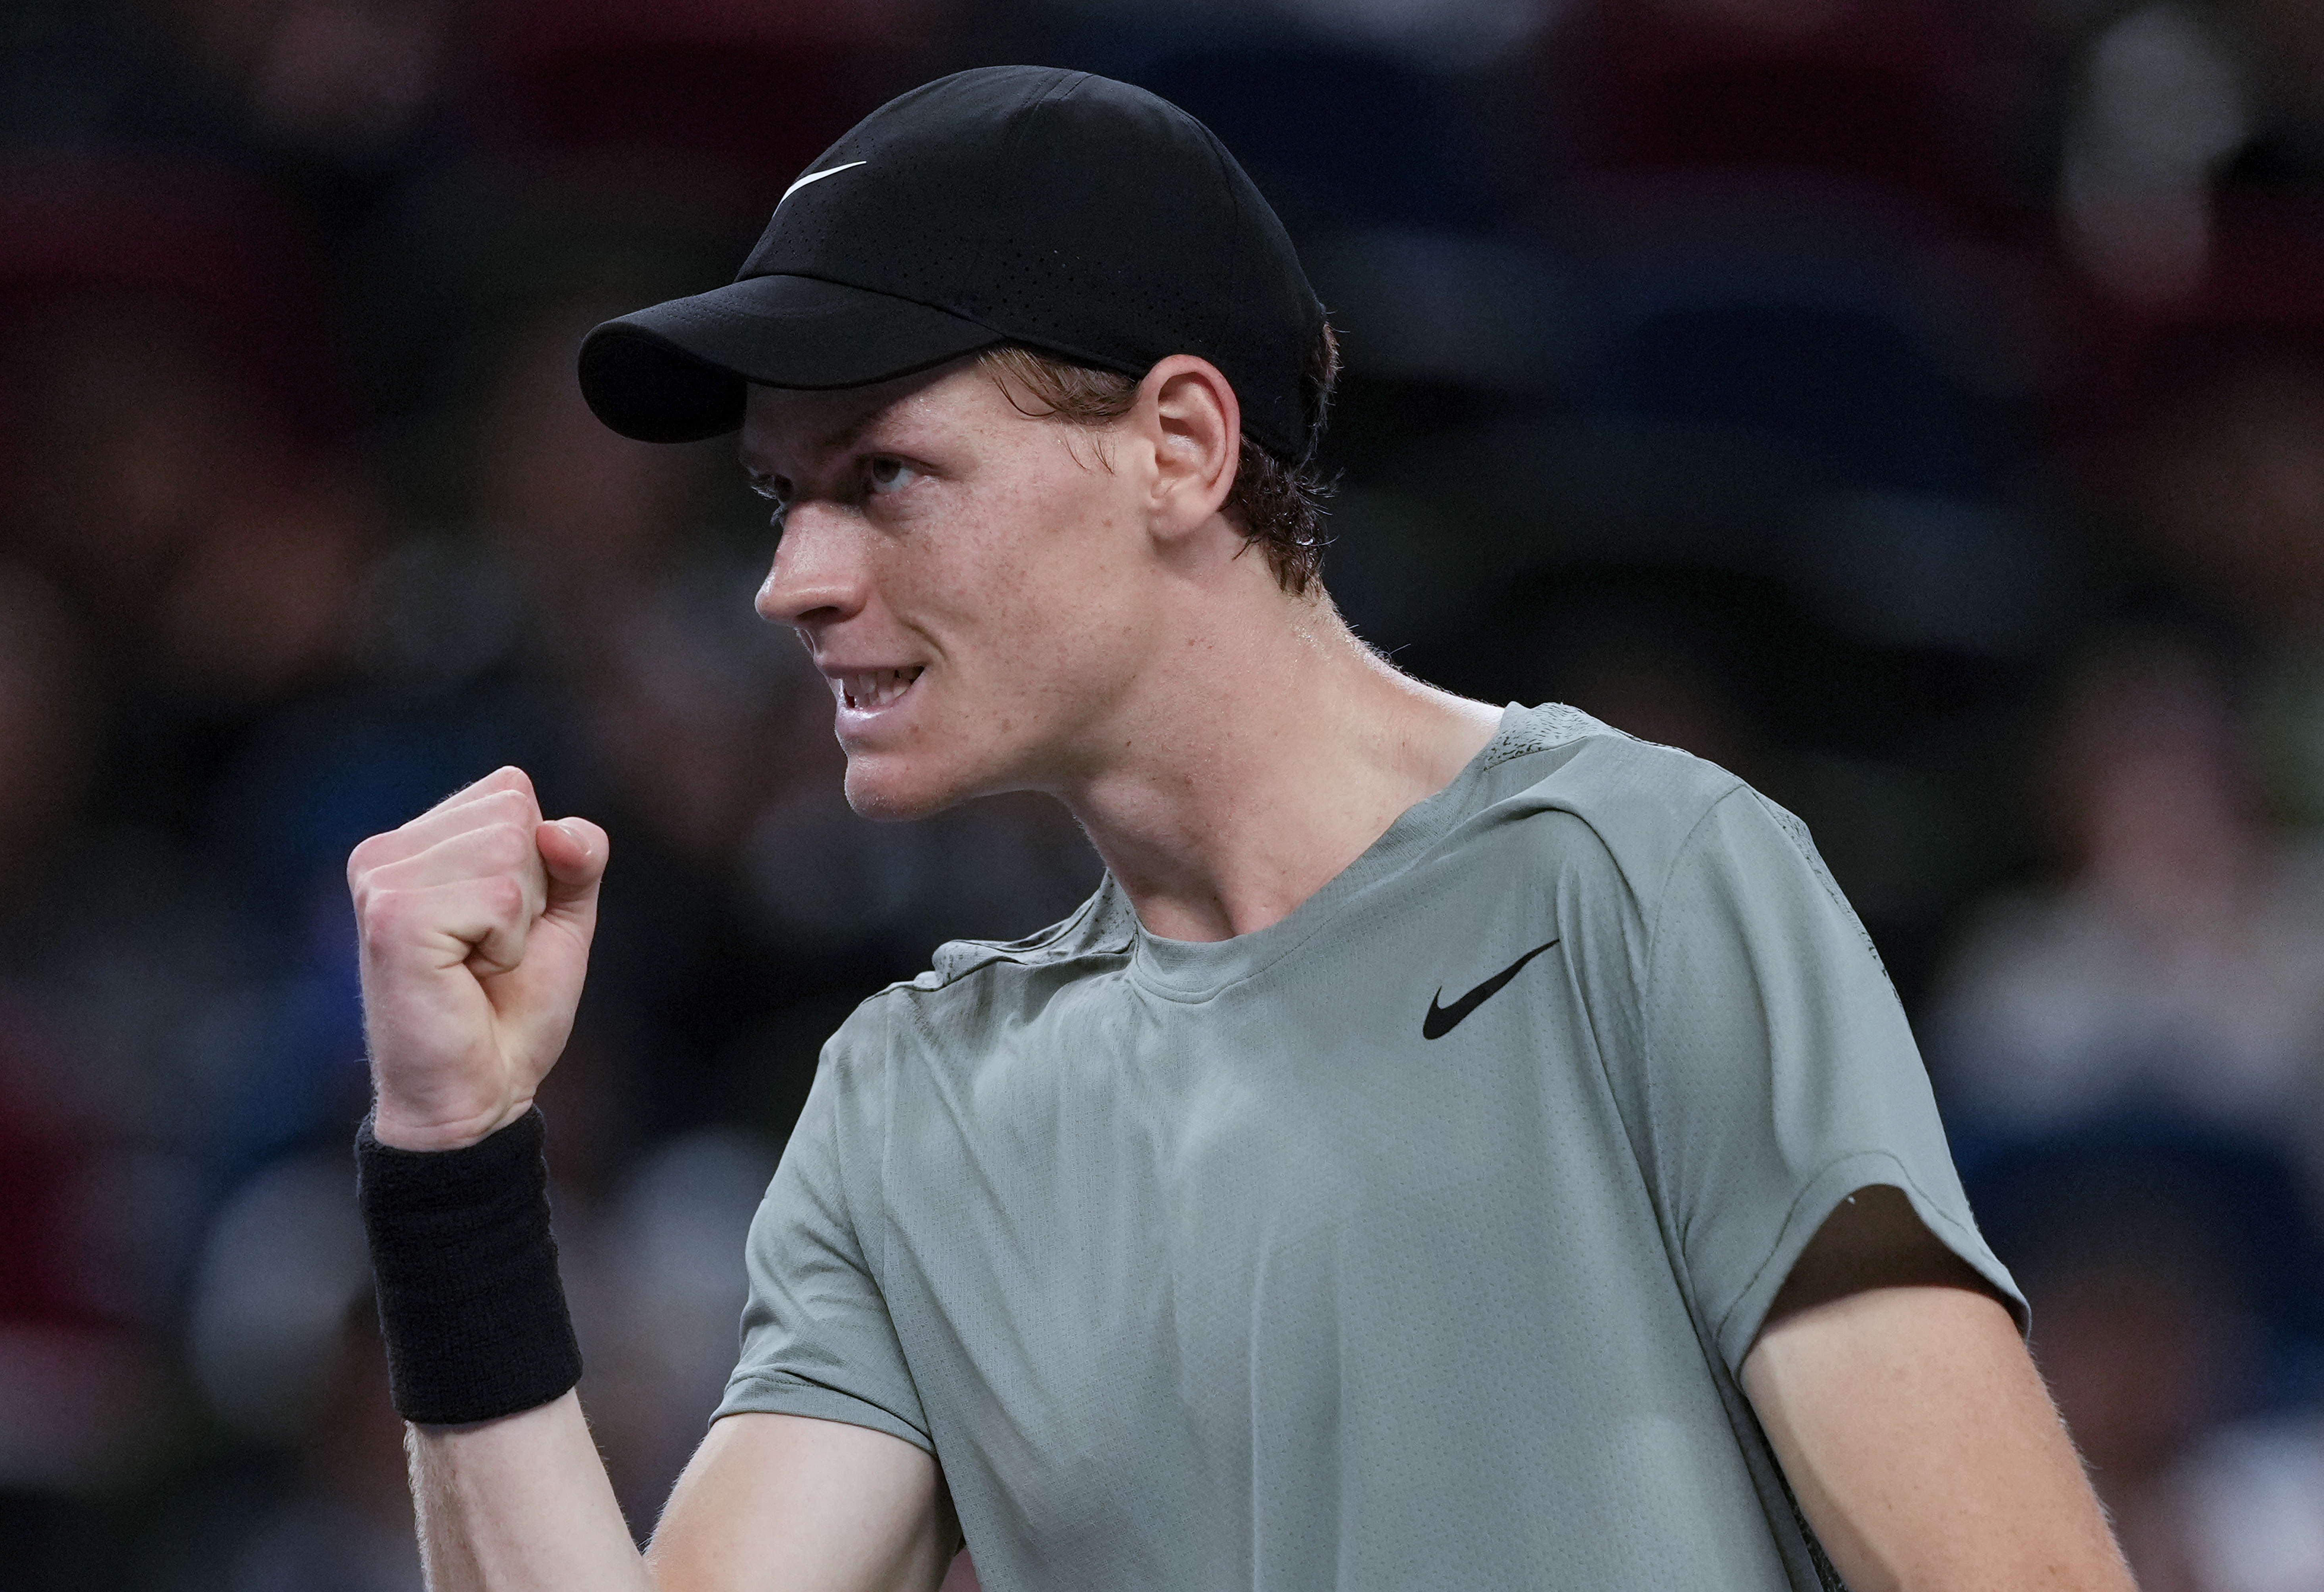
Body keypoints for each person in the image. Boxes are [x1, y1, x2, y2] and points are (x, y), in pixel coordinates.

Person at [346, 67, 2137, 1592]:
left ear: (1181, 445)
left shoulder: (1636, 883)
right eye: (775, 500)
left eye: (883, 476)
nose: (789, 582)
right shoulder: (912, 1102)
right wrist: (451, 1159)